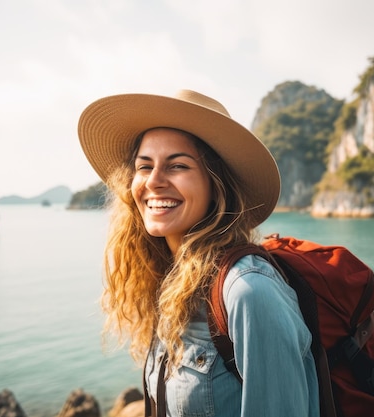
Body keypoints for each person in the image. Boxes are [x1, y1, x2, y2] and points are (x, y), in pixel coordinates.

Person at [78, 89, 320, 417]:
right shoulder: (169, 282)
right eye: (144, 166)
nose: (154, 182)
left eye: (177, 166)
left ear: (215, 184)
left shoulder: (248, 292)